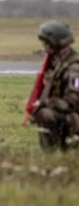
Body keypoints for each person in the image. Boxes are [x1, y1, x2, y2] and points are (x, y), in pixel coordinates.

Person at [26, 21, 79, 150]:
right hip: (68, 116)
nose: (44, 47)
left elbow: (72, 103)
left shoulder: (74, 68)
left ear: (54, 43)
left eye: (46, 43)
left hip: (74, 115)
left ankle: (53, 154)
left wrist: (45, 103)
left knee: (45, 114)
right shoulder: (56, 64)